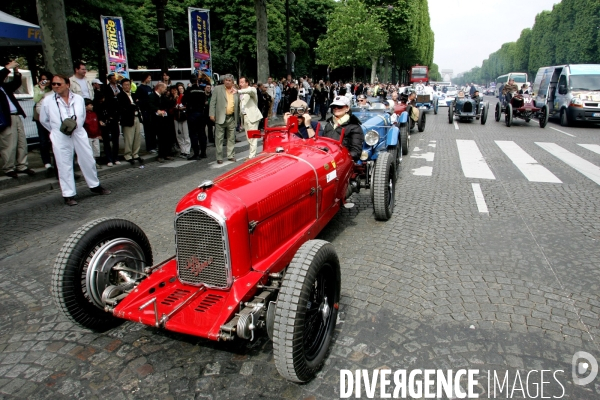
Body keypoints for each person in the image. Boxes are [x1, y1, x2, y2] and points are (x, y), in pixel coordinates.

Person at [39, 74, 111, 206]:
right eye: (53, 84)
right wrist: (56, 130)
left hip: (77, 132)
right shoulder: (48, 100)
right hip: (60, 134)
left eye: (58, 84)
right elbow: (44, 120)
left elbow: (82, 115)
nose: (55, 86)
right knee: (63, 163)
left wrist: (75, 126)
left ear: (67, 84)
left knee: (87, 158)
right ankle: (68, 194)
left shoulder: (78, 99)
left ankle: (94, 185)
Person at [0, 60, 34, 179]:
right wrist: (7, 67)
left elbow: (16, 83)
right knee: (9, 143)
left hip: (16, 116)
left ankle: (22, 165)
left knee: (21, 142)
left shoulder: (3, 86)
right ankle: (9, 167)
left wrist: (16, 71)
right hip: (6, 118)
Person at [321, 95, 363, 161]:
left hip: (342, 162)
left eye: (339, 106)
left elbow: (356, 152)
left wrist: (340, 158)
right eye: (334, 106)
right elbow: (322, 143)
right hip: (326, 159)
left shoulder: (354, 126)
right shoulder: (329, 124)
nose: (336, 108)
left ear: (347, 108)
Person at [209, 74, 239, 164]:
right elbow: (212, 102)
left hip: (232, 117)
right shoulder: (218, 89)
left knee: (231, 137)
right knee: (219, 138)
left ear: (232, 82)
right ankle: (219, 157)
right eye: (226, 80)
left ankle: (231, 155)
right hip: (220, 116)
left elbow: (239, 103)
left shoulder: (235, 91)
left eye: (229, 80)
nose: (227, 82)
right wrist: (211, 114)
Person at [117, 79, 144, 165]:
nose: (127, 86)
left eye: (128, 85)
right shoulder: (120, 95)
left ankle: (135, 153)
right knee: (129, 138)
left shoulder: (134, 94)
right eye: (125, 85)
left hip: (136, 117)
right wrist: (131, 107)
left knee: (137, 136)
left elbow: (138, 103)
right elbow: (122, 108)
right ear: (122, 86)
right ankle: (128, 155)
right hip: (128, 118)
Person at [237, 77, 263, 159]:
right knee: (249, 138)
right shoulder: (241, 93)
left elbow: (251, 91)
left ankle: (252, 157)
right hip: (245, 117)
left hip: (252, 116)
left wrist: (238, 91)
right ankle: (251, 154)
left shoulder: (252, 90)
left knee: (253, 137)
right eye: (239, 82)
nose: (240, 84)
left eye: (242, 82)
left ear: (247, 83)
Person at [33, 72, 53, 169]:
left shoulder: (53, 87)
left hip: (52, 116)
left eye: (47, 79)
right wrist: (42, 89)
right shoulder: (37, 87)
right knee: (43, 139)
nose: (45, 81)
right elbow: (36, 99)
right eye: (43, 79)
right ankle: (46, 161)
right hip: (40, 115)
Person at [148, 82, 173, 162]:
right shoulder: (152, 96)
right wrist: (157, 110)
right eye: (165, 88)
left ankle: (166, 153)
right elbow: (150, 105)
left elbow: (168, 105)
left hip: (164, 120)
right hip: (156, 120)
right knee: (160, 138)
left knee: (166, 137)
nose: (165, 90)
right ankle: (160, 155)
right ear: (160, 88)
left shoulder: (163, 97)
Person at [184, 75, 207, 159]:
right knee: (202, 133)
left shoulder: (189, 90)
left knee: (193, 134)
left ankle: (196, 153)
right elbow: (204, 101)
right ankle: (203, 152)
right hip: (201, 113)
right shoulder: (201, 90)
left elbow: (184, 101)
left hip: (192, 114)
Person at [102, 73, 122, 166]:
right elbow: (106, 100)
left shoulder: (119, 87)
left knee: (115, 138)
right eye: (113, 78)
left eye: (115, 78)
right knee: (107, 140)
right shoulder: (106, 88)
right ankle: (109, 158)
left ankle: (115, 157)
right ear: (109, 80)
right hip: (107, 116)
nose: (115, 80)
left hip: (115, 116)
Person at [136, 72, 155, 154]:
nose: (150, 79)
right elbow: (138, 100)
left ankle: (154, 145)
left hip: (151, 111)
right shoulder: (140, 88)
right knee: (148, 130)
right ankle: (149, 147)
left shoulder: (149, 88)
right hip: (145, 111)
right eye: (149, 78)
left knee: (152, 129)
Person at [83, 98, 102, 168]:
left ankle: (95, 161)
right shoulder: (84, 115)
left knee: (96, 150)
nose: (92, 106)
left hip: (96, 135)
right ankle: (90, 164)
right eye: (90, 105)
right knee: (89, 150)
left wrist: (99, 134)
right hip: (88, 136)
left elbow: (97, 124)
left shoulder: (94, 114)